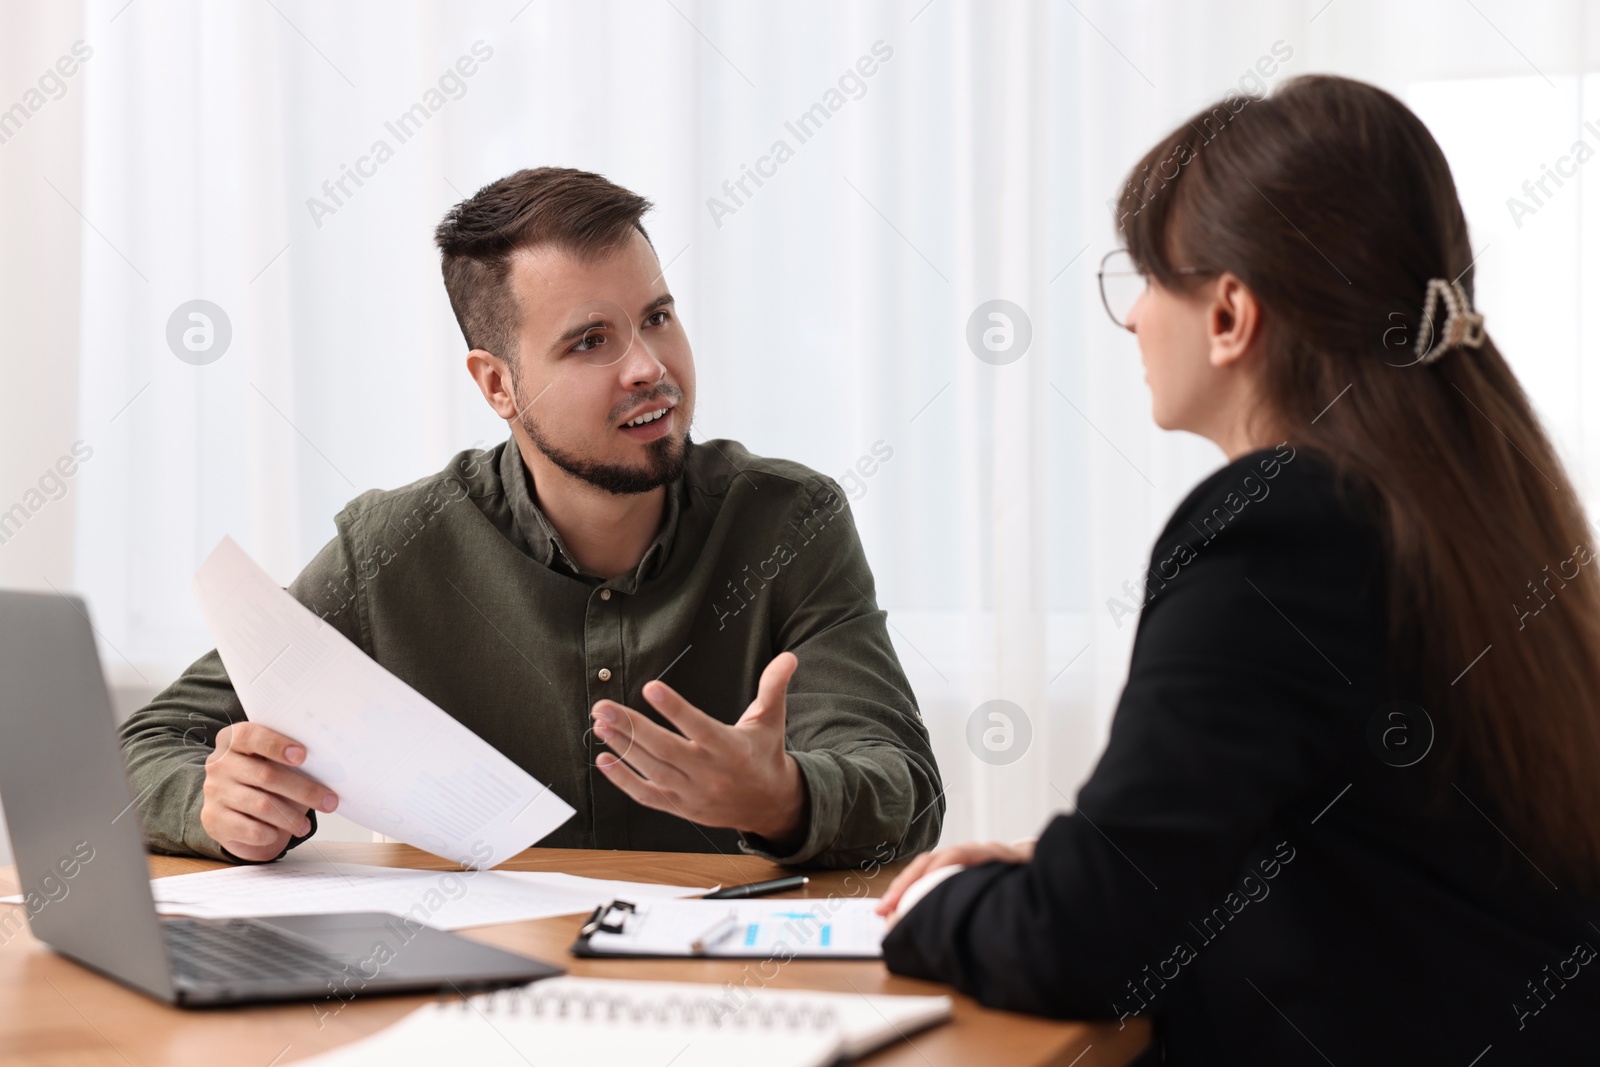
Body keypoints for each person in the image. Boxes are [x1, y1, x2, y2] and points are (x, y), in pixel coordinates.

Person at [877, 75, 1600, 1063]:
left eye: (1144, 277)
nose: (1131, 317)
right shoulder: (1472, 504)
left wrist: (935, 899)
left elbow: (1080, 942)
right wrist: (1068, 871)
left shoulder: (1282, 531)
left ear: (1228, 314)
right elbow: (1372, 860)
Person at [120, 167, 942, 870]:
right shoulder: (392, 550)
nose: (651, 369)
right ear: (497, 385)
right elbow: (141, 746)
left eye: (656, 316)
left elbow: (905, 788)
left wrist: (785, 799)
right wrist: (215, 802)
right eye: (591, 342)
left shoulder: (789, 521)